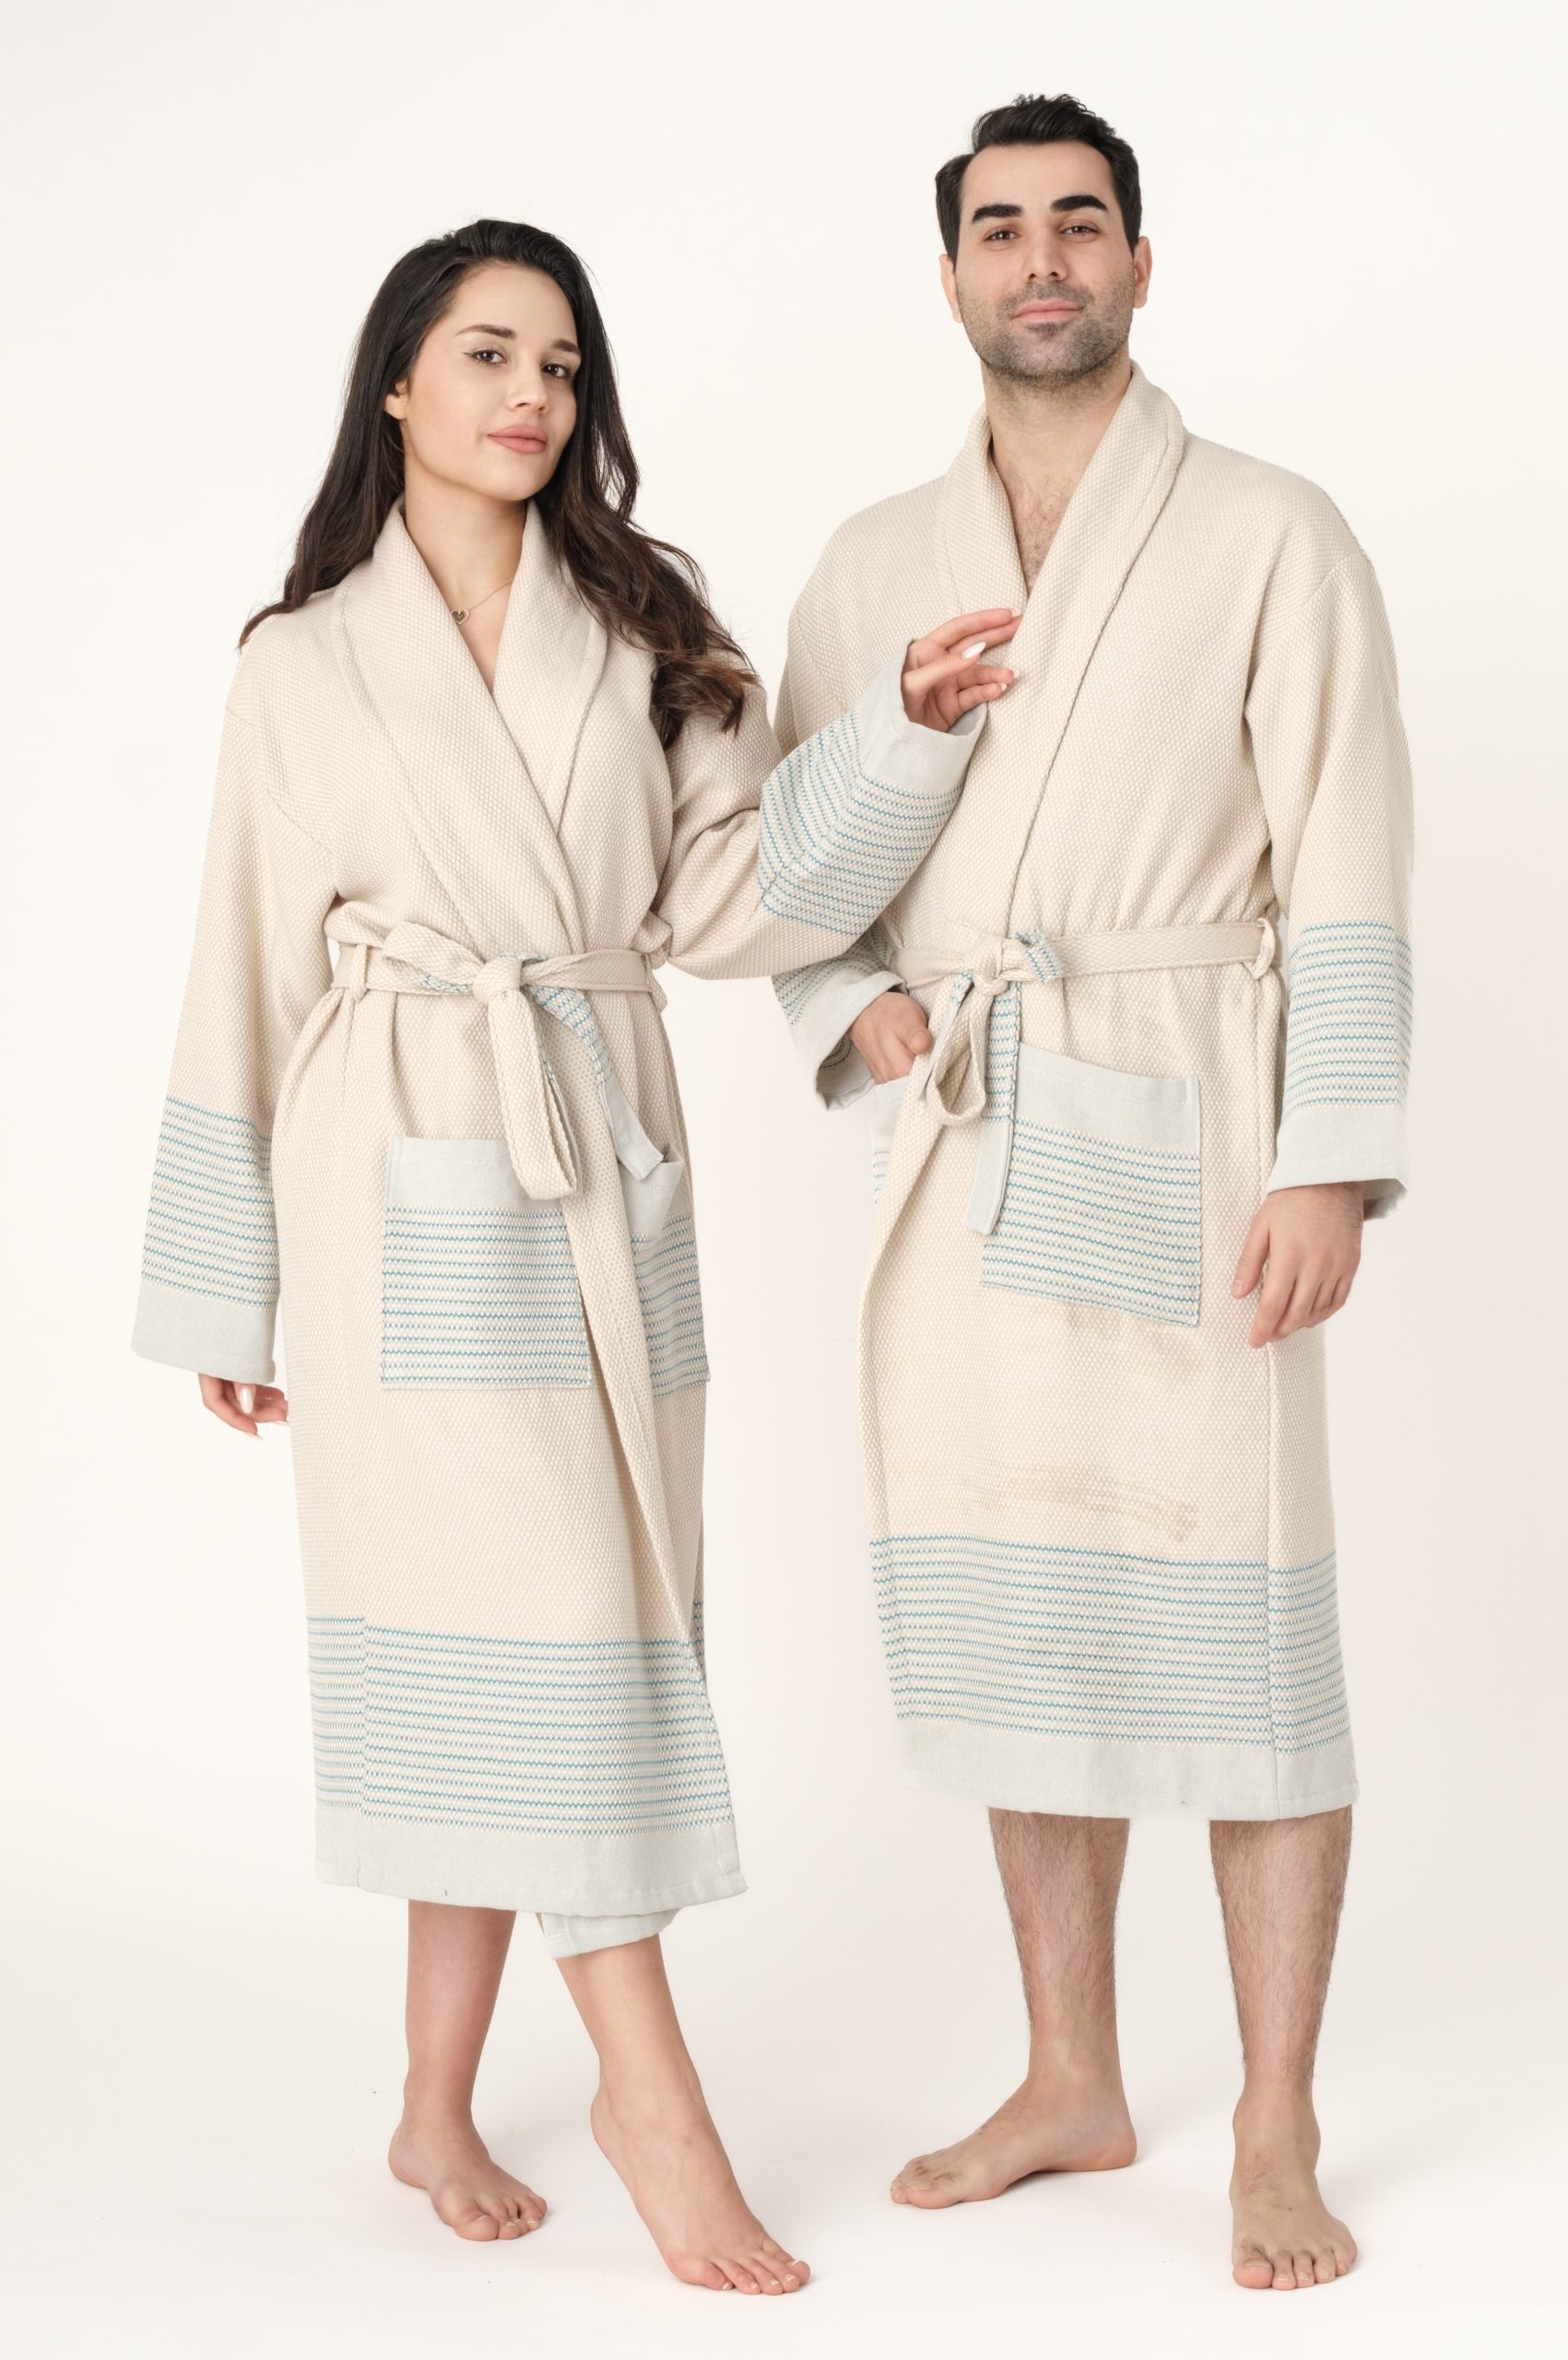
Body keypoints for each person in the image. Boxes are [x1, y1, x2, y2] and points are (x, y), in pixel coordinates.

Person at [131, 216, 1017, 2295]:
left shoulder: (636, 627)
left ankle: (431, 2103)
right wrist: (225, 1279)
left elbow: (730, 900)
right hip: (389, 1167)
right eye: (485, 353)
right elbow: (243, 961)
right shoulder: (300, 661)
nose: (530, 393)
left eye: (559, 364)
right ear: (397, 383)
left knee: (538, 1638)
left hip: (599, 1160)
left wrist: (897, 734)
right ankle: (652, 2100)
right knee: (535, 1622)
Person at [770, 95, 1411, 2293]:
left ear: (1139, 261)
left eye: (1075, 222)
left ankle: (1274, 2118)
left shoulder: (1268, 530)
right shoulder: (870, 558)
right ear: (947, 273)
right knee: (1019, 1606)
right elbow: (789, 853)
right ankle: (1068, 2069)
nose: (1036, 256)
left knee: (1241, 1624)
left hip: (1201, 1117)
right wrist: (847, 1002)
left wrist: (1328, 1157)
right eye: (997, 227)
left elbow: (1342, 848)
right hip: (972, 1128)